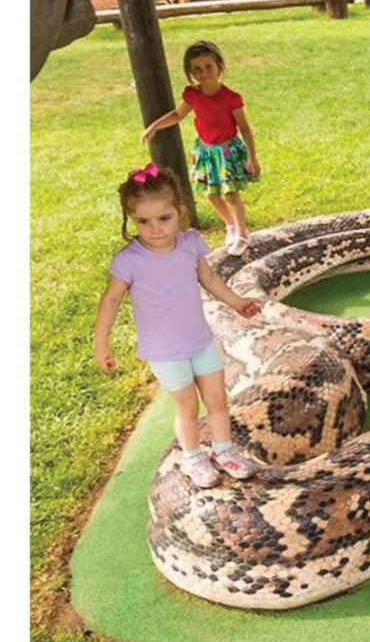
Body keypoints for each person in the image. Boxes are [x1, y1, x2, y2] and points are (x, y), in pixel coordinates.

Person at [93, 164, 261, 488]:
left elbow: (209, 278)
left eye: (164, 218)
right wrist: (102, 344)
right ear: (131, 219)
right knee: (187, 407)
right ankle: (193, 457)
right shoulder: (128, 260)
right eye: (143, 221)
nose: (155, 229)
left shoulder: (190, 243)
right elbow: (110, 301)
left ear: (179, 212)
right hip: (165, 351)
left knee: (217, 401)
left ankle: (224, 451)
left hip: (201, 341)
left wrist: (237, 302)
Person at [141, 40, 259, 255]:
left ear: (219, 66)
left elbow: (244, 128)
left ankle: (242, 234)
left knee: (231, 195)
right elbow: (178, 115)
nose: (204, 73)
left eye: (208, 67)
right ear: (190, 72)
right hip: (206, 152)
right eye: (197, 69)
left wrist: (253, 157)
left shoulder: (231, 98)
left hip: (227, 153)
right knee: (211, 195)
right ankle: (230, 225)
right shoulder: (193, 95)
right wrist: (154, 127)